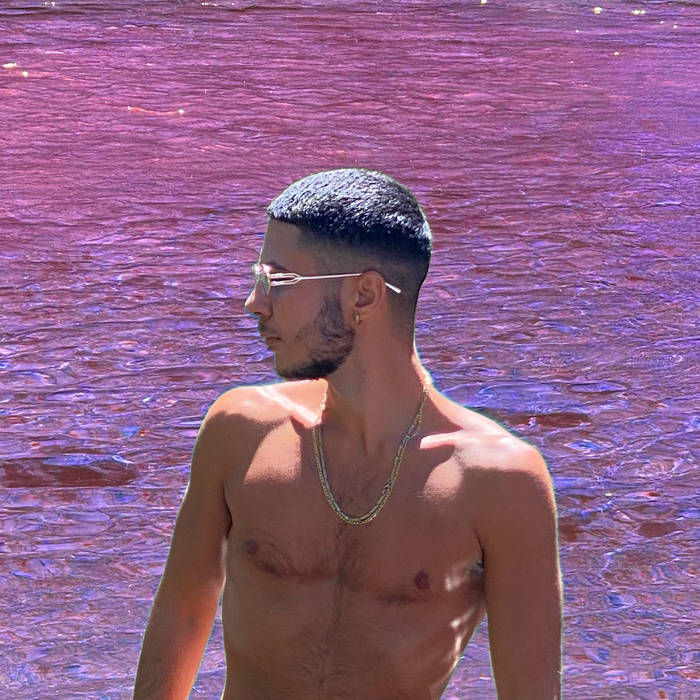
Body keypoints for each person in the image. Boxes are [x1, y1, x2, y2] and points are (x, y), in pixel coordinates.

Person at [134, 168, 563, 699]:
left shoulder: (499, 481)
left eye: (278, 281)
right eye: (258, 278)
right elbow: (180, 616)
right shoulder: (241, 431)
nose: (255, 302)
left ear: (363, 294)